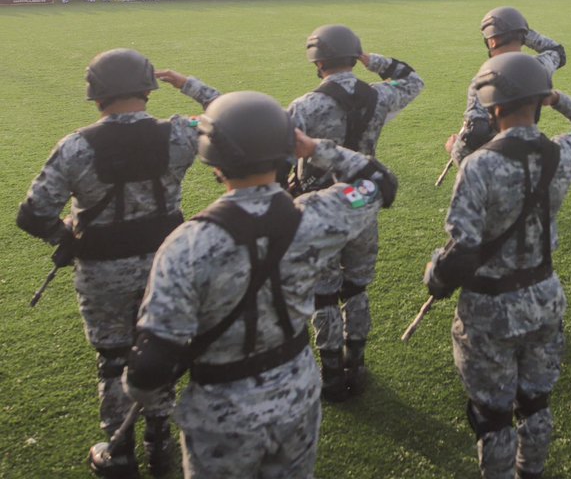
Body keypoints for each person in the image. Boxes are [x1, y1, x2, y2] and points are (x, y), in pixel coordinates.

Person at [123, 91, 395, 479]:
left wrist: (157, 401)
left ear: (213, 160)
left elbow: (147, 371)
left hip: (221, 410)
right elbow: (381, 182)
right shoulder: (320, 215)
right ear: (287, 151)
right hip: (297, 391)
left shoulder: (186, 244)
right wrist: (315, 148)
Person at [16, 49, 221, 477]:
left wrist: (68, 236)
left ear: (95, 96)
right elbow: (232, 114)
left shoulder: (75, 146)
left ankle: (120, 451)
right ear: (149, 88)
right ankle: (160, 442)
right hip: (167, 265)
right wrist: (187, 84)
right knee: (159, 348)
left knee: (113, 360)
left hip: (102, 270)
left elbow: (32, 214)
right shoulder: (179, 133)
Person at [423, 53, 571, 478]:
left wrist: (435, 278)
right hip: (544, 296)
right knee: (536, 403)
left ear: (492, 107)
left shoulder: (478, 164)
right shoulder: (561, 152)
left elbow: (462, 249)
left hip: (489, 308)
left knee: (492, 416)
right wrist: (559, 99)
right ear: (538, 101)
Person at [288, 24, 424, 401]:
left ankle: (331, 372)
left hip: (319, 207)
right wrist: (373, 61)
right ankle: (357, 362)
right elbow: (414, 80)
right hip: (364, 197)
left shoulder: (305, 105)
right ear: (354, 57)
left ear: (318, 62)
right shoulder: (378, 96)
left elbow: (280, 154)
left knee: (325, 292)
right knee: (357, 286)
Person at [447, 7, 566, 167]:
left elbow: (476, 131)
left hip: (495, 164)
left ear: (492, 41)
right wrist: (522, 33)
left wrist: (454, 148)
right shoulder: (539, 67)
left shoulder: (483, 79)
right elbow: (557, 51)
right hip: (530, 155)